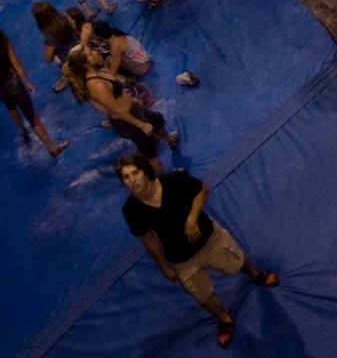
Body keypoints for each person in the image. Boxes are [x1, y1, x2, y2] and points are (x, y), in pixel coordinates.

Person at [118, 153, 279, 348]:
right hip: (180, 257)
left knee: (235, 260)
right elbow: (147, 238)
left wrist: (192, 218)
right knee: (201, 295)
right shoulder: (131, 209)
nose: (132, 180)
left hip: (208, 239)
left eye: (135, 173)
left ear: (146, 171)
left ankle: (255, 274)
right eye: (126, 177)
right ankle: (224, 319)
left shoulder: (173, 181)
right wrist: (163, 265)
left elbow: (202, 189)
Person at [70, 51, 179, 164]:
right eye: (91, 54)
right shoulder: (96, 85)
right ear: (85, 64)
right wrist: (141, 125)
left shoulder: (100, 72)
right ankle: (158, 177)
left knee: (157, 119)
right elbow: (116, 111)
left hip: (133, 109)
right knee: (150, 151)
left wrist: (131, 100)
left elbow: (118, 93)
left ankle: (169, 139)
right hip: (127, 121)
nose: (95, 52)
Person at [2, 29, 69, 155]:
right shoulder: (2, 39)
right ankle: (52, 147)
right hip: (13, 83)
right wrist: (27, 82)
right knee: (32, 117)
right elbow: (16, 64)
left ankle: (22, 130)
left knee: (10, 105)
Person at [86, 20, 153, 78]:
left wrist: (97, 74)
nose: (91, 36)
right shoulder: (116, 35)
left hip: (142, 68)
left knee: (109, 62)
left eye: (92, 34)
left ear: (99, 35)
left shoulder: (115, 46)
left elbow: (113, 72)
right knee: (109, 60)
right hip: (146, 60)